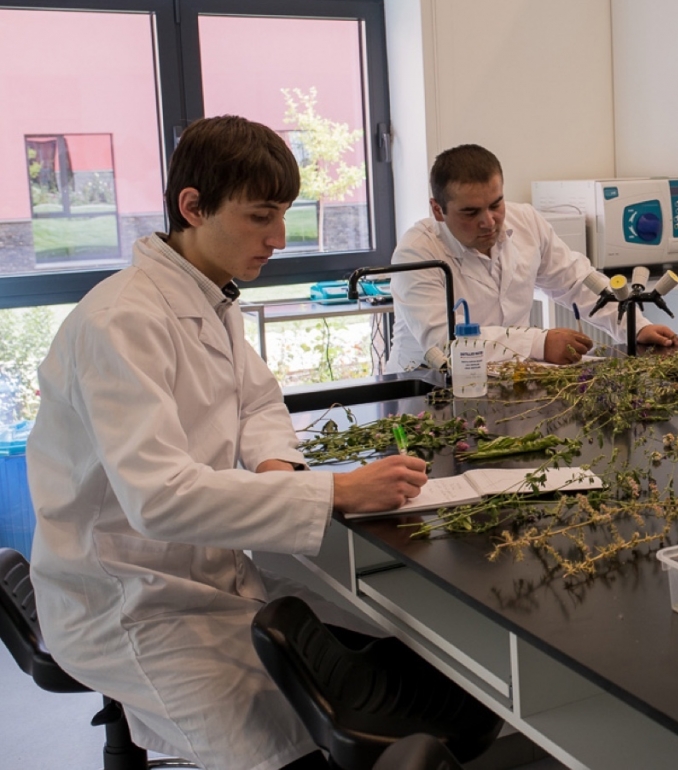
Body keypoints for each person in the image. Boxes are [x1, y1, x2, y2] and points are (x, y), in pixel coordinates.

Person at [26, 116, 437, 770]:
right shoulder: (121, 321)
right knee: (278, 749)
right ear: (193, 207)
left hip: (202, 569)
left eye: (284, 216)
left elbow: (255, 399)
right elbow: (158, 499)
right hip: (127, 599)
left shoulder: (209, 296)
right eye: (260, 217)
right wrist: (332, 490)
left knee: (380, 652)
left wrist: (278, 467)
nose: (278, 239)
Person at [389, 144, 677, 369]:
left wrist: (636, 327)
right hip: (429, 388)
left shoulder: (525, 221)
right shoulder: (417, 252)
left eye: (495, 204)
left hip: (513, 380)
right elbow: (443, 344)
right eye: (470, 212)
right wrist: (538, 343)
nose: (488, 221)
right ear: (438, 210)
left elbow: (578, 281)